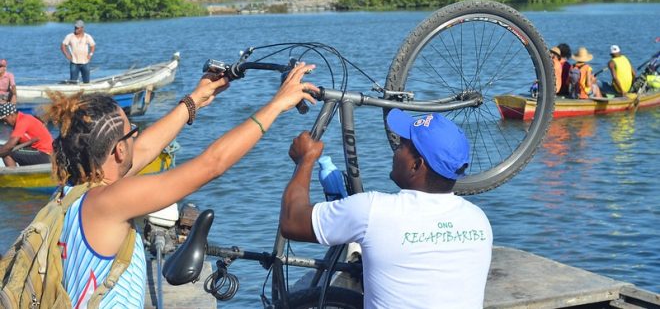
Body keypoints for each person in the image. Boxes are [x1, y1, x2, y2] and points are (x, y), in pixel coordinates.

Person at [42, 63, 318, 308]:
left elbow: (146, 147)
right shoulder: (110, 201)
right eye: (131, 133)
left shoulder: (74, 190)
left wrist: (193, 101)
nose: (136, 139)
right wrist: (276, 105)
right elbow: (212, 164)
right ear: (118, 152)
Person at [280, 109, 493, 308]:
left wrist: (305, 160)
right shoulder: (478, 219)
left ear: (416, 165)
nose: (394, 151)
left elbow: (292, 221)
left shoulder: (373, 210)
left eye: (401, 146)